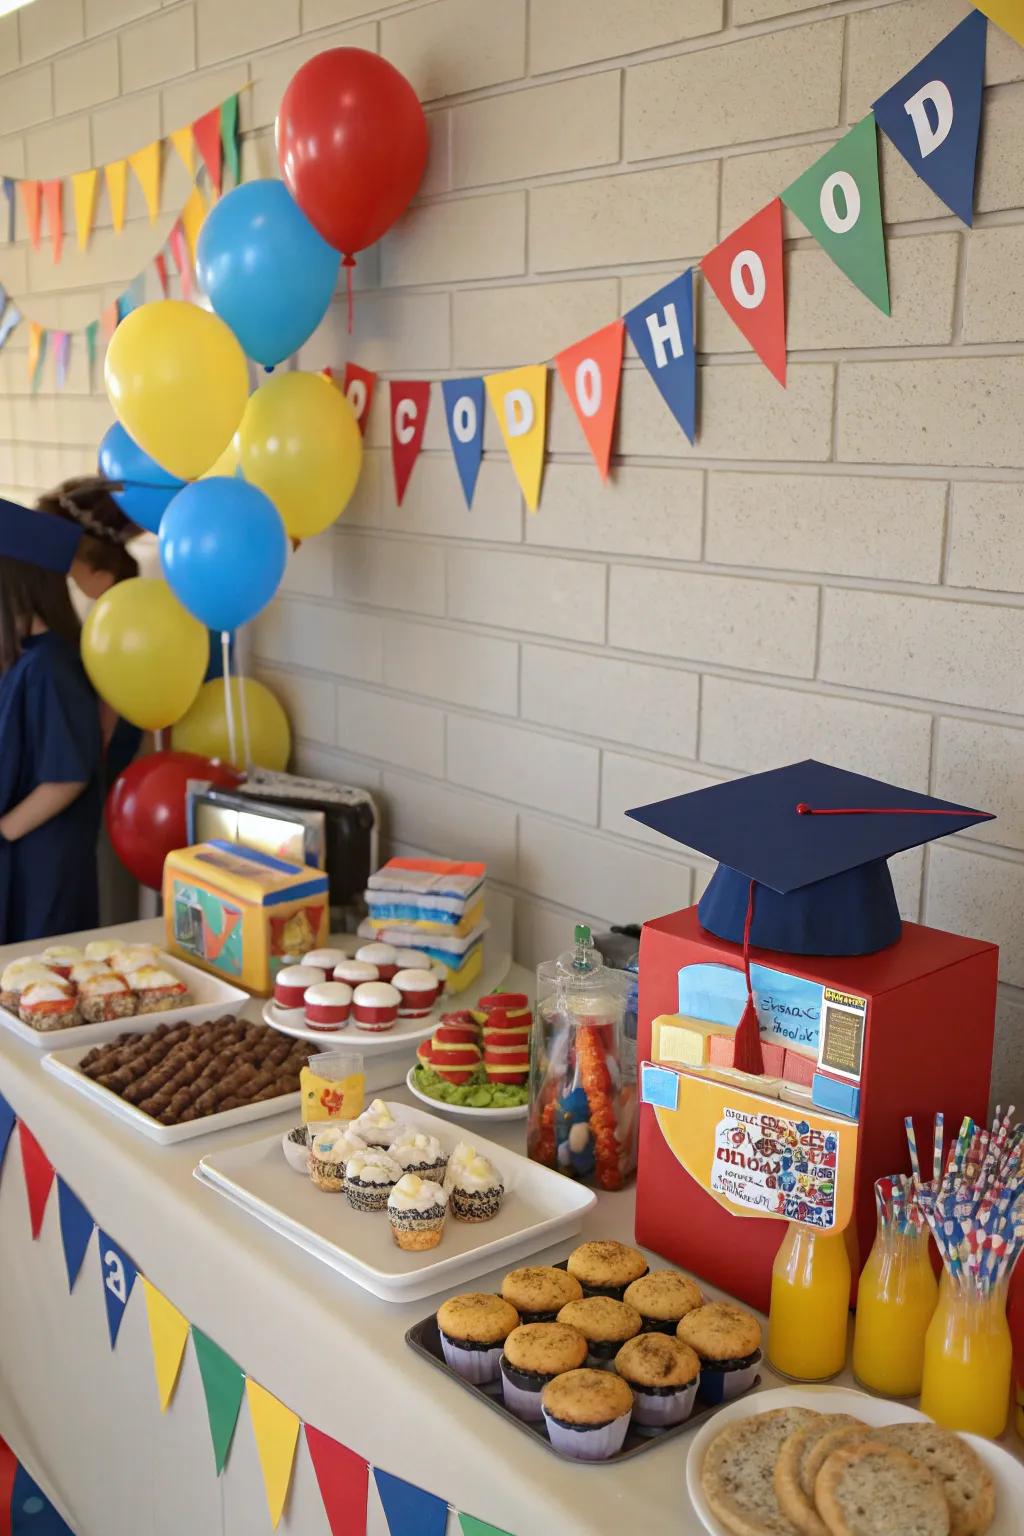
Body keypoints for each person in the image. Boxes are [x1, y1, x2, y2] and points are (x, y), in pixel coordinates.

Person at [0, 500, 104, 944]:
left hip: (41, 860)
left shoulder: (50, 667)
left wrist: (3, 831)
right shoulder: (24, 659)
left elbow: (67, 775)